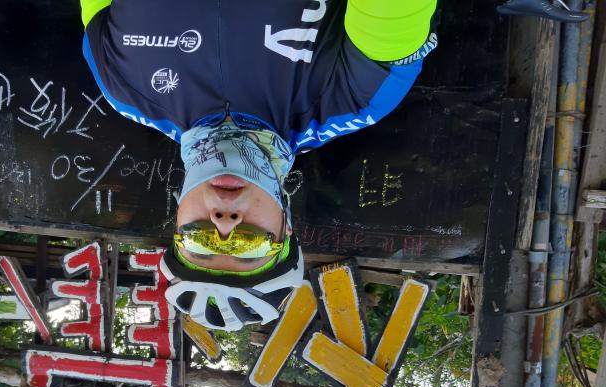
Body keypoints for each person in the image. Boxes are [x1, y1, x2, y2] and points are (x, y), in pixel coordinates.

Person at [79, 0, 577, 331]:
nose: (225, 224)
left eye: (201, 242)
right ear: (286, 228)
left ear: (176, 223)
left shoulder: (121, 85)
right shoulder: (353, 98)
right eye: (249, 243)